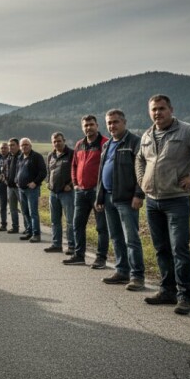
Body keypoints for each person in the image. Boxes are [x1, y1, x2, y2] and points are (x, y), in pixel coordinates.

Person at [136, 94, 190, 315]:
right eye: (154, 109)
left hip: (176, 200)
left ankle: (185, 296)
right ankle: (167, 291)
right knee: (161, 248)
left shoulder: (187, 131)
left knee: (179, 249)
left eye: (162, 108)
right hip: (153, 201)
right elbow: (139, 159)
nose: (157, 113)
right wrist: (142, 180)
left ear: (171, 109)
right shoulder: (147, 134)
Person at [95, 109, 145, 290]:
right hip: (108, 197)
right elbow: (101, 172)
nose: (112, 126)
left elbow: (142, 171)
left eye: (115, 122)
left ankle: (137, 276)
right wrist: (99, 196)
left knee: (131, 238)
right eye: (109, 123)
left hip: (126, 199)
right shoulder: (107, 145)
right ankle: (122, 271)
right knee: (116, 237)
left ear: (124, 122)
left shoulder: (134, 142)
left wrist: (139, 194)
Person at [69, 115, 109, 268]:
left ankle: (101, 258)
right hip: (80, 192)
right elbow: (74, 166)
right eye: (85, 125)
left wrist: (102, 189)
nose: (88, 128)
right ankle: (79, 255)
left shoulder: (105, 143)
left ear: (97, 126)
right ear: (82, 127)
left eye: (91, 125)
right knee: (77, 224)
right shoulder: (79, 144)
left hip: (97, 192)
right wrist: (75, 183)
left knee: (101, 227)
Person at [43, 132, 76, 256]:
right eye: (54, 141)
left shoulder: (72, 154)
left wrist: (71, 185)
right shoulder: (51, 155)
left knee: (70, 221)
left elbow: (77, 171)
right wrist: (48, 182)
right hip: (53, 193)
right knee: (55, 220)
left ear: (64, 140)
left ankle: (72, 246)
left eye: (59, 141)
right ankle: (56, 244)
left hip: (67, 193)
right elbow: (48, 171)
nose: (57, 143)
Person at [16, 138, 47, 243]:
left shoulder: (37, 157)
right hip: (21, 189)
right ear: (20, 147)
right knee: (25, 212)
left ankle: (36, 234)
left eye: (26, 144)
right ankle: (29, 231)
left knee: (33, 212)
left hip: (31, 189)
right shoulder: (20, 157)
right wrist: (16, 180)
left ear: (30, 145)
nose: (24, 146)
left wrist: (35, 182)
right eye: (22, 145)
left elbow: (43, 172)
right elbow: (18, 171)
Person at [4, 138, 22, 234]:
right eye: (9, 145)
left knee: (24, 208)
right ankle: (15, 227)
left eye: (13, 145)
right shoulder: (9, 157)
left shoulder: (22, 156)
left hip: (19, 187)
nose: (11, 147)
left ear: (18, 145)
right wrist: (6, 179)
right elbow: (6, 169)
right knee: (13, 209)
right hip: (10, 187)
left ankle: (28, 228)